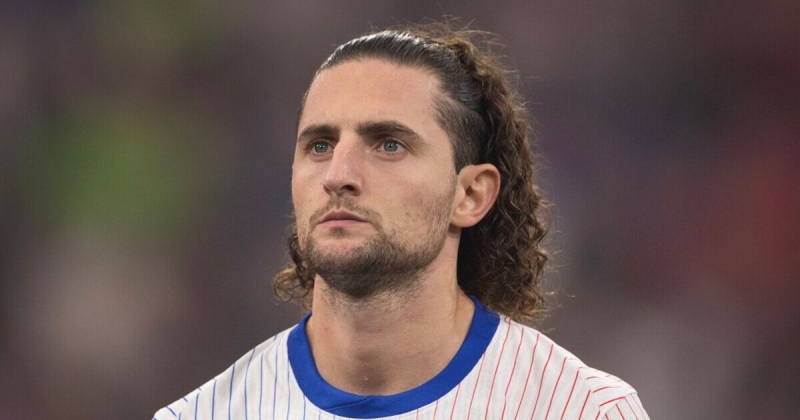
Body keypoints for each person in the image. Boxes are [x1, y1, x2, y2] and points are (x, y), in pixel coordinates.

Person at [154, 22, 648, 420]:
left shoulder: (583, 410)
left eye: (389, 145)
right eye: (320, 145)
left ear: (470, 195)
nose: (338, 176)